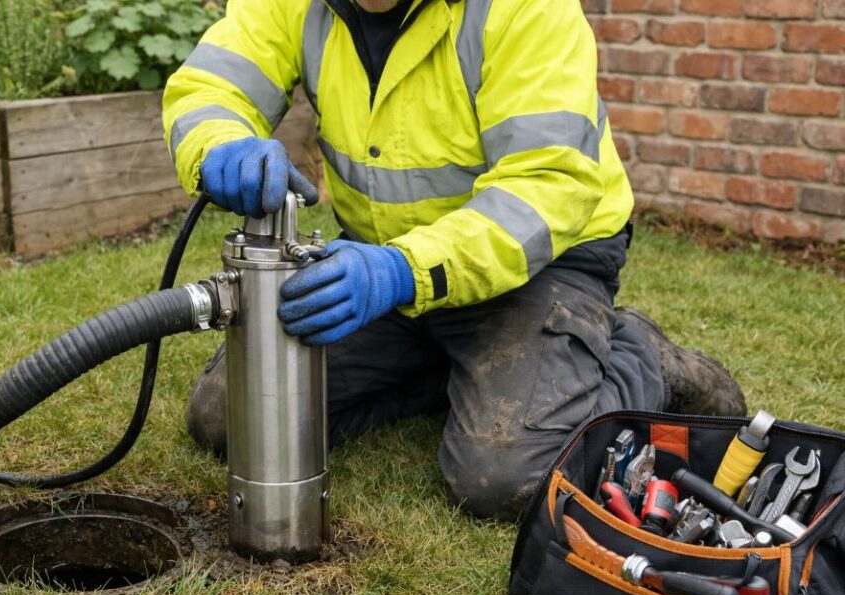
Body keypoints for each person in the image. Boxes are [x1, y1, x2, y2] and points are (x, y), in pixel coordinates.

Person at [162, 0, 747, 522]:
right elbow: (215, 83)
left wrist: (404, 272)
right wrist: (219, 141)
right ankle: (452, 361)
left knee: (501, 478)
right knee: (228, 420)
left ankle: (643, 357)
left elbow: (546, 187)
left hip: (538, 259)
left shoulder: (524, 9)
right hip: (380, 260)